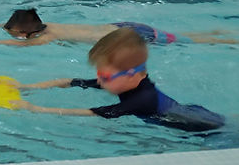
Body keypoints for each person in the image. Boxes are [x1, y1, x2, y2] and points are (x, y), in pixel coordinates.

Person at [13, 28, 225, 131]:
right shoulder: (121, 80)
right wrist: (26, 87)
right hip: (191, 111)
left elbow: (96, 113)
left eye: (103, 76)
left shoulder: (143, 99)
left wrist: (36, 109)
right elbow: (70, 81)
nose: (99, 80)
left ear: (131, 74)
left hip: (199, 127)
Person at [0, 8, 239, 46]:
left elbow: (10, 43)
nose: (9, 33)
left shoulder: (45, 37)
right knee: (191, 37)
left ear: (26, 33)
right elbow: (2, 25)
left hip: (129, 34)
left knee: (194, 42)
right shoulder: (42, 24)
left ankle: (233, 40)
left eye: (15, 33)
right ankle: (224, 35)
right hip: (122, 24)